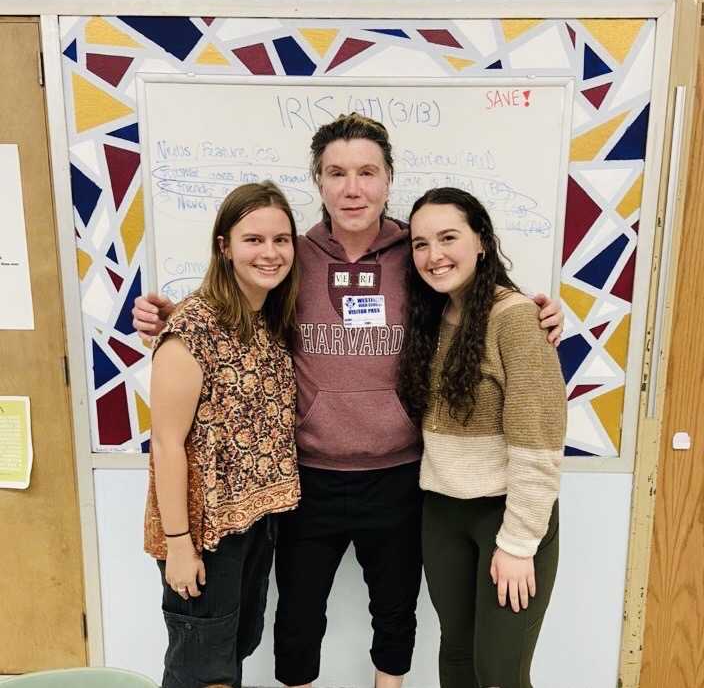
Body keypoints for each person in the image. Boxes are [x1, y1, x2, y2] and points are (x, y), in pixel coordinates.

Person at [134, 114, 564, 688]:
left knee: (396, 612)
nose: (352, 187)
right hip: (307, 475)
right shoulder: (293, 256)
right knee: (298, 617)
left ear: (389, 180)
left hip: (402, 474)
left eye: (367, 172)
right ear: (318, 182)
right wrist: (171, 317)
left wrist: (538, 314)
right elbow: (237, 298)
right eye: (336, 173)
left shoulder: (414, 258)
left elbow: (470, 300)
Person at [397, 187, 567, 688]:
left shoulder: (515, 318)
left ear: (482, 242)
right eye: (420, 244)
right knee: (455, 659)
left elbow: (539, 440)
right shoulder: (434, 314)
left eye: (448, 237)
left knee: (498, 674)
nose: (434, 255)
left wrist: (516, 543)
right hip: (443, 514)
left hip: (507, 517)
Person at [143, 181, 301, 688]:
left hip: (254, 522)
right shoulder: (192, 328)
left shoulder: (268, 319)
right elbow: (166, 444)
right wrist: (179, 546)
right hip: (204, 532)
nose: (270, 253)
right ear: (224, 245)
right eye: (253, 239)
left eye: (281, 239)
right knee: (201, 670)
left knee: (230, 656)